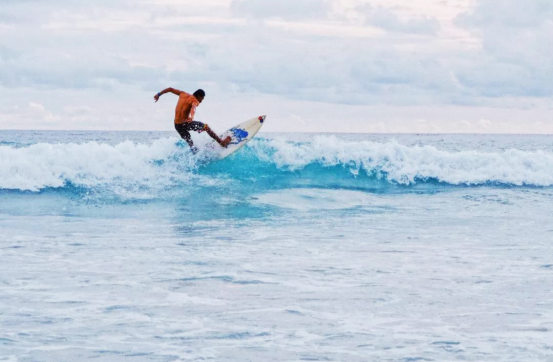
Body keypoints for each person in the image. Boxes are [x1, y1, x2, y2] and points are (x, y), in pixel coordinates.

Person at [154, 88, 231, 152]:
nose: (201, 101)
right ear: (199, 96)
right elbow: (193, 107)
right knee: (206, 127)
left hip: (177, 125)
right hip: (186, 123)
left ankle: (195, 153)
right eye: (202, 99)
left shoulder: (182, 94)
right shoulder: (195, 100)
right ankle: (221, 142)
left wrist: (158, 94)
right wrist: (191, 117)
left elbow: (170, 89)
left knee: (190, 142)